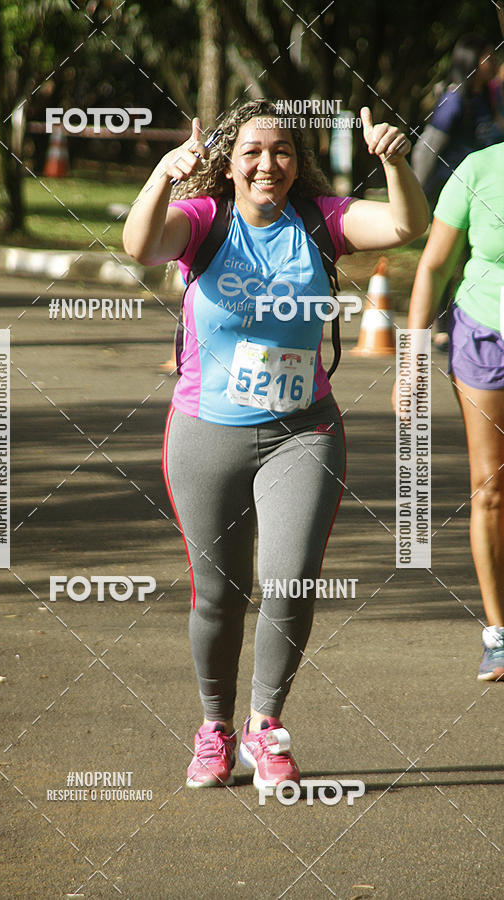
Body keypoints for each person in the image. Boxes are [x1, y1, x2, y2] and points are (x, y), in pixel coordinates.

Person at [123, 99, 428, 790]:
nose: (269, 164)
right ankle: (214, 730)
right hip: (206, 435)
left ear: (299, 160)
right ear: (227, 163)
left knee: (289, 581)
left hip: (303, 433)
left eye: (283, 151)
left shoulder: (321, 219)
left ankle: (267, 728)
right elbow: (141, 246)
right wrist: (164, 177)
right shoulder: (206, 221)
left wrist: (396, 162)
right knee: (218, 596)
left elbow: (408, 224)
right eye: (253, 152)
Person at [396, 142, 504, 682]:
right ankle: (499, 633)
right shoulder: (480, 168)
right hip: (485, 338)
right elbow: (433, 267)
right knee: (490, 487)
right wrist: (411, 364)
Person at [411, 34, 503, 349]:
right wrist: (417, 194)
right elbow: (426, 149)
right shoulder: (453, 99)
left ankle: (455, 322)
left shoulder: (487, 98)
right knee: (444, 261)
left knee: (469, 258)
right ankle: (440, 326)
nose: (494, 63)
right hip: (453, 193)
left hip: (486, 192)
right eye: (488, 57)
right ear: (470, 61)